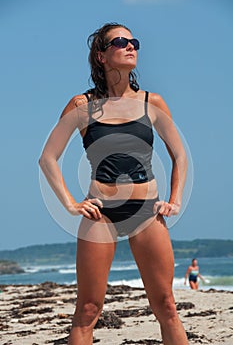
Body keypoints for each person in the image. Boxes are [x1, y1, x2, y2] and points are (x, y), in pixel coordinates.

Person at [39, 22, 188, 345]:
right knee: (88, 310)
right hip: (100, 214)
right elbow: (48, 158)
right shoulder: (81, 105)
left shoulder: (153, 102)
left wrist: (174, 199)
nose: (130, 46)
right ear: (101, 56)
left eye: (134, 41)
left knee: (166, 307)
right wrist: (70, 203)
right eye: (120, 41)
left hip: (147, 212)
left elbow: (180, 155)